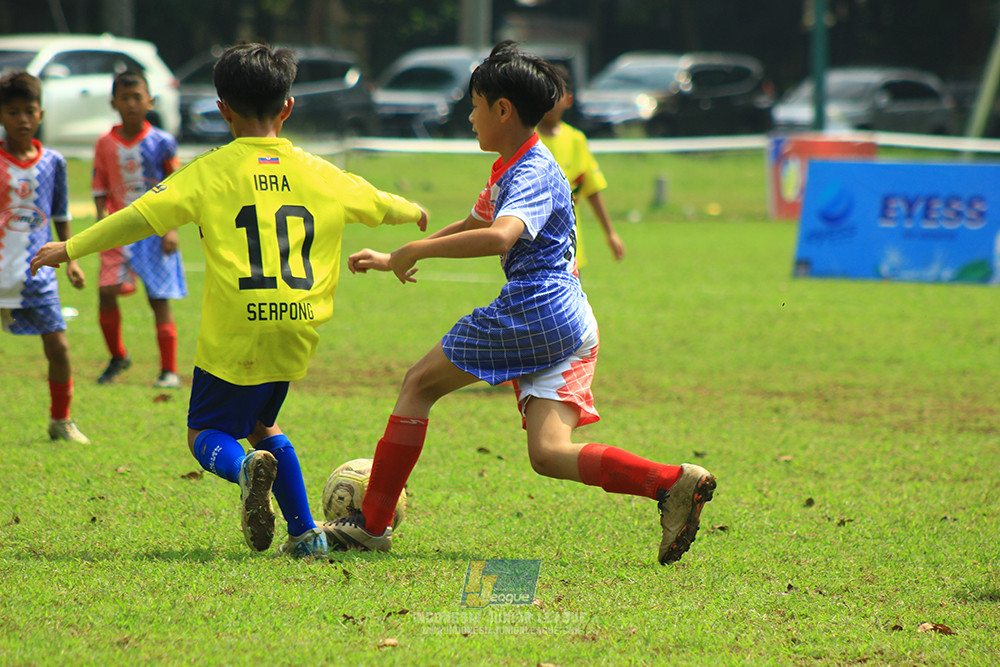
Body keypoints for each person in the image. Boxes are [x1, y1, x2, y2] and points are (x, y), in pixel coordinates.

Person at [31, 43, 428, 560]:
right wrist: (415, 211)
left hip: (236, 329)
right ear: (287, 107)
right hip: (297, 326)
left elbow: (140, 217)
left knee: (204, 432)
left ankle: (242, 468)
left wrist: (71, 246)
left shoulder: (209, 171)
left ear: (223, 111)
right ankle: (306, 535)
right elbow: (380, 203)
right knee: (265, 423)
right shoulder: (322, 172)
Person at [333, 42, 715, 566]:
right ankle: (671, 483)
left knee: (417, 383)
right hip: (570, 319)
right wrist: (391, 257)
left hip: (537, 308)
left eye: (474, 105)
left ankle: (371, 524)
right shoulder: (508, 168)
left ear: (503, 109)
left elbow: (499, 237)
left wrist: (415, 249)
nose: (469, 117)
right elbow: (473, 226)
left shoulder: (532, 170)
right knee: (549, 454)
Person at [0, 71, 90, 445]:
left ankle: (61, 420)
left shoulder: (54, 161)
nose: (22, 118)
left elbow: (60, 214)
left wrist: (71, 257)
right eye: (13, 111)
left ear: (41, 114)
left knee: (59, 346)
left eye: (30, 111)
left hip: (37, 273)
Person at [92, 70, 186, 388]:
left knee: (158, 299)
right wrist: (99, 223)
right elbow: (100, 187)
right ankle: (118, 356)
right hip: (118, 229)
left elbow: (176, 187)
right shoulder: (105, 144)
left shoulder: (162, 142)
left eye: (137, 97)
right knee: (105, 292)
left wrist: (171, 229)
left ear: (150, 101)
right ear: (113, 103)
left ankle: (169, 371)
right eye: (124, 98)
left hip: (155, 230)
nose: (131, 104)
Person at [536, 65, 625, 267]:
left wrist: (610, 233)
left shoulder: (576, 140)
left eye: (555, 95)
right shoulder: (525, 138)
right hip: (534, 245)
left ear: (568, 100)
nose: (549, 101)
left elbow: (591, 189)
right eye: (544, 94)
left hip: (570, 246)